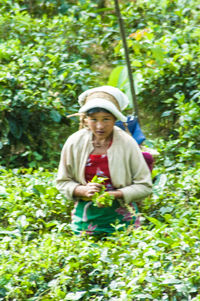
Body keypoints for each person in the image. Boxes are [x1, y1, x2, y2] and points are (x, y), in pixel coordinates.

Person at [56, 86, 152, 236]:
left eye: (106, 119)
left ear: (115, 119)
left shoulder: (127, 143)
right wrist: (83, 190)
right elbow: (62, 182)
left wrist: (116, 194)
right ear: (86, 120)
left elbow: (144, 185)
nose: (100, 126)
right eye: (94, 119)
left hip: (124, 222)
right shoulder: (74, 142)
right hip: (85, 221)